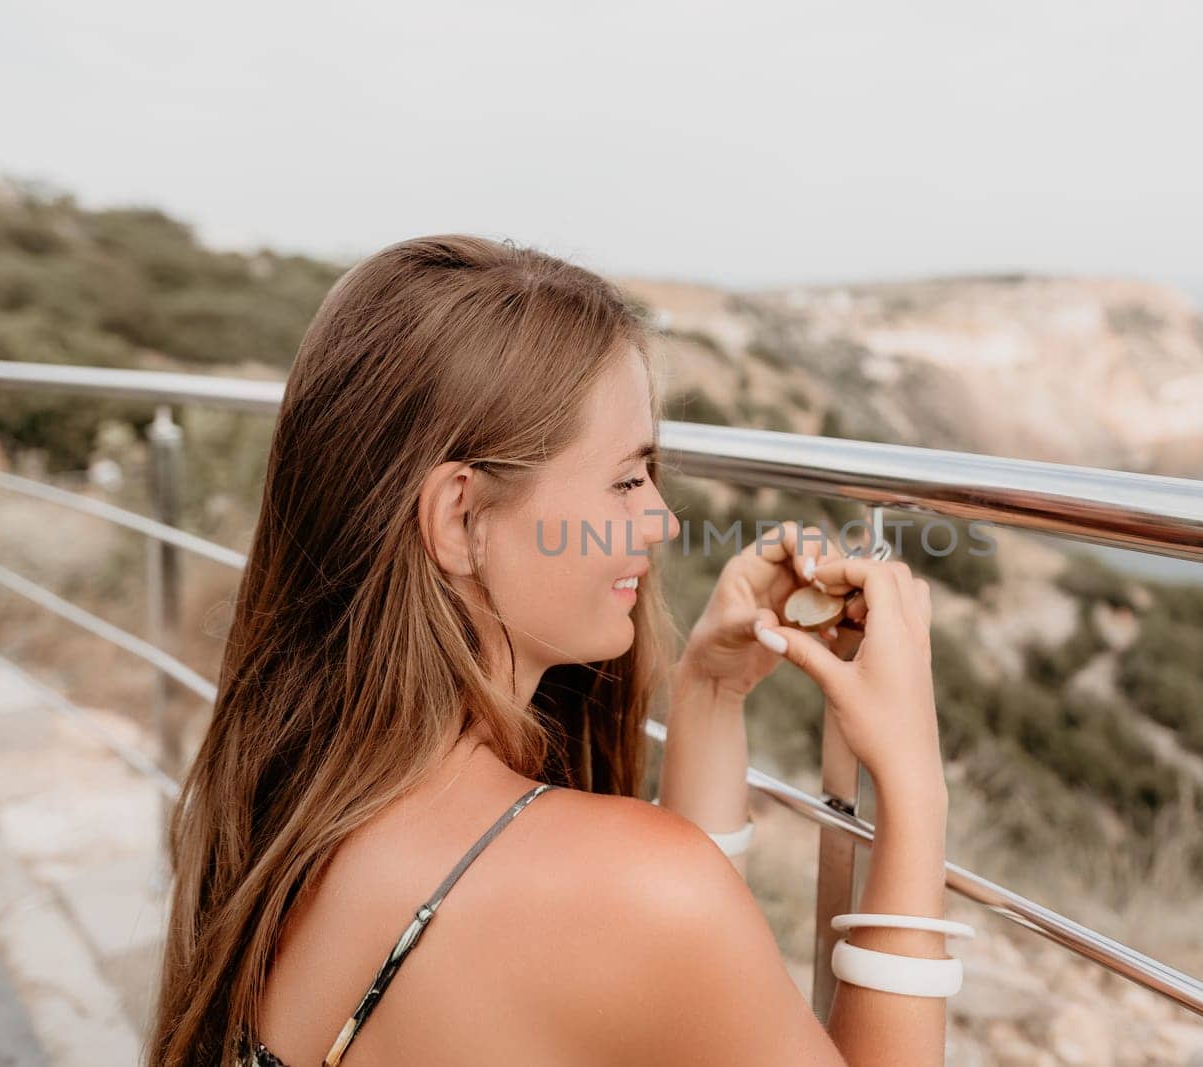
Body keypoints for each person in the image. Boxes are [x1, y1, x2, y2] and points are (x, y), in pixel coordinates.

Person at [147, 234, 955, 1067]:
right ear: (462, 520)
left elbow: (656, 982)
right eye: (627, 479)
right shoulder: (625, 889)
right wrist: (910, 784)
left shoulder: (281, 801)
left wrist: (709, 695)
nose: (663, 521)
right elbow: (655, 925)